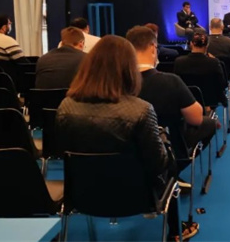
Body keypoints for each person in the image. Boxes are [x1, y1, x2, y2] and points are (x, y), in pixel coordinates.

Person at [56, 36, 199, 240]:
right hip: (138, 199)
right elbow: (159, 164)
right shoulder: (141, 110)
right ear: (129, 70)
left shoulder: (66, 107)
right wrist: (164, 139)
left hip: (82, 197)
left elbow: (64, 150)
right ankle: (176, 231)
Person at [126, 26, 218, 180]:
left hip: (129, 152)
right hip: (169, 147)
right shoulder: (170, 81)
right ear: (153, 47)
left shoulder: (116, 84)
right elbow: (196, 118)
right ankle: (173, 173)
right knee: (209, 124)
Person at [174, 33, 228, 108]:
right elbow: (222, 84)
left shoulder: (179, 62)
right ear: (207, 45)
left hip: (186, 102)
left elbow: (176, 84)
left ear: (191, 44)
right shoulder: (214, 63)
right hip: (209, 101)